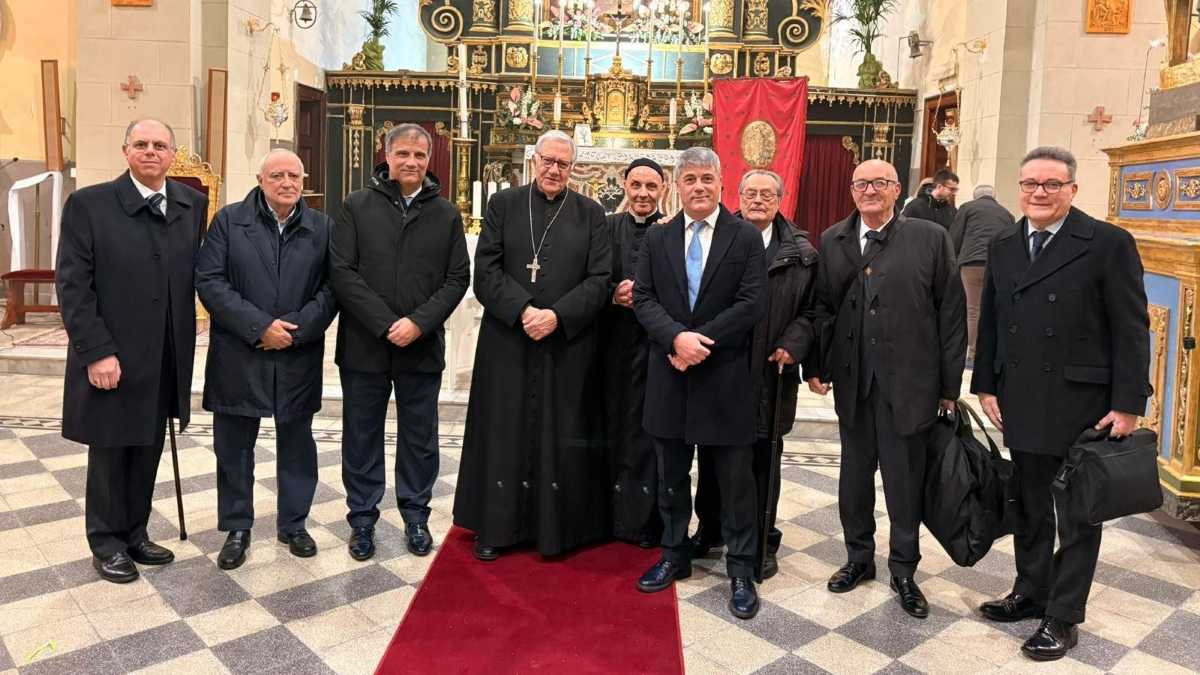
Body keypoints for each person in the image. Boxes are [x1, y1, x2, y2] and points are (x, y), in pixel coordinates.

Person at [971, 146, 1150, 661]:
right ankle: (1030, 592)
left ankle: (1064, 615)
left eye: (1051, 184)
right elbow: (991, 322)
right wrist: (985, 383)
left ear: (1072, 189)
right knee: (1028, 505)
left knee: (1077, 514)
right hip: (1021, 398)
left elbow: (1131, 328)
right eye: (1030, 184)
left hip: (1082, 403)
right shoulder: (1006, 244)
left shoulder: (1107, 243)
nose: (1039, 193)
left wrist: (1128, 402)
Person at [808, 159, 966, 619]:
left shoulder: (929, 238)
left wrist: (948, 387)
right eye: (860, 183)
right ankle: (858, 558)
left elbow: (951, 314)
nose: (869, 190)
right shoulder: (833, 238)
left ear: (897, 189)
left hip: (910, 384)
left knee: (903, 482)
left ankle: (904, 569)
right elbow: (823, 309)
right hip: (854, 383)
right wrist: (818, 364)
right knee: (853, 480)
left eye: (879, 182)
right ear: (851, 190)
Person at [56, 118, 207, 583]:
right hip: (113, 353)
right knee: (110, 449)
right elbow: (73, 284)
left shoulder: (191, 204)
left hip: (165, 352)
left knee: (148, 445)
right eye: (140, 144)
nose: (150, 152)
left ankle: (135, 532)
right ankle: (106, 542)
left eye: (160, 145)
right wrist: (96, 351)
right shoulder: (90, 205)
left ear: (172, 155)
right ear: (125, 151)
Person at [453, 130, 612, 560]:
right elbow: (484, 270)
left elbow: (601, 279)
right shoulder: (503, 205)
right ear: (534, 161)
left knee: (560, 434)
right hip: (509, 339)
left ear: (573, 168)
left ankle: (556, 531)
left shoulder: (591, 214)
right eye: (548, 161)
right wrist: (524, 311)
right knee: (503, 431)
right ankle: (496, 527)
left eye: (563, 164)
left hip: (566, 343)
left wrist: (557, 316)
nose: (554, 170)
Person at [632, 146, 767, 620]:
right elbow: (644, 297)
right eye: (689, 179)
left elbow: (752, 303)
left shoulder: (745, 237)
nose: (698, 187)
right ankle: (673, 553)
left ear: (720, 183)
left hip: (723, 374)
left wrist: (698, 342)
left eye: (706, 179)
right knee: (671, 474)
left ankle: (741, 568)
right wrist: (675, 339)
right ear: (677, 185)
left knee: (734, 481)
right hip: (669, 373)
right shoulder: (658, 238)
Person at [331, 124, 470, 561]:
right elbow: (342, 272)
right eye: (403, 154)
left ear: (430, 160)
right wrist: (386, 323)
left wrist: (418, 323)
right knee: (362, 435)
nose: (412, 162)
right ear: (386, 156)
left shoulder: (446, 214)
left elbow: (456, 278)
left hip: (421, 347)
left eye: (420, 155)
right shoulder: (356, 205)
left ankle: (415, 514)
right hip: (365, 345)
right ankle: (363, 520)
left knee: (419, 438)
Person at [195, 149, 337, 570]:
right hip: (240, 352)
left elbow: (333, 289)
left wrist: (293, 330)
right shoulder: (229, 221)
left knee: (297, 444)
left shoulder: (322, 227)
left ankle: (294, 523)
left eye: (295, 175)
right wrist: (260, 328)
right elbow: (210, 281)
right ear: (260, 179)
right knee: (234, 446)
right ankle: (237, 526)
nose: (288, 183)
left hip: (297, 352)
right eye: (278, 175)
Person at [689, 169, 818, 580]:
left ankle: (762, 539)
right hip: (720, 368)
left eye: (767, 193)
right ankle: (710, 529)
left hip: (770, 371)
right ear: (737, 196)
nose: (758, 199)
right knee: (712, 455)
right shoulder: (716, 239)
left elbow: (813, 312)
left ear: (781, 199)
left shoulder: (800, 253)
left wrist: (794, 343)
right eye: (750, 192)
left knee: (764, 458)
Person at [602, 158, 666, 547]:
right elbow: (588, 272)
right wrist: (612, 290)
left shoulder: (671, 230)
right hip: (610, 344)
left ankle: (645, 523)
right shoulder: (606, 227)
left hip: (652, 348)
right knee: (609, 428)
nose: (643, 194)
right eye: (636, 185)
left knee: (647, 435)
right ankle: (606, 518)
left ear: (663, 190)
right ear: (624, 186)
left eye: (651, 187)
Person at [949, 184, 1015, 364]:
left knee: (973, 309)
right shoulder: (1007, 213)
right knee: (991, 308)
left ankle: (973, 352)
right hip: (997, 265)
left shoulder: (967, 208)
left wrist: (951, 260)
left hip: (971, 263)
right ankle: (990, 350)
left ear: (975, 196)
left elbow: (955, 235)